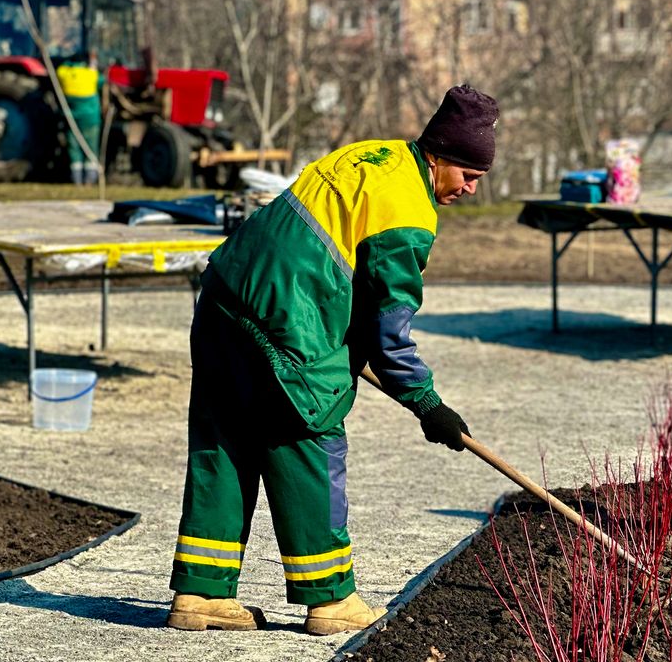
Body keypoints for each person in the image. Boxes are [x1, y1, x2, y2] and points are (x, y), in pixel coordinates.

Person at [166, 85, 497, 634]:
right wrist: (428, 404)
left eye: (480, 178)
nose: (470, 188)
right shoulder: (408, 210)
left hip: (225, 298)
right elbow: (388, 328)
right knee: (308, 440)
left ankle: (200, 595)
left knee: (225, 441)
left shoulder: (373, 155)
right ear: (438, 155)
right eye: (467, 173)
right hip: (285, 323)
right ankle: (330, 600)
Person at [55, 49, 102, 185]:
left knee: (74, 148)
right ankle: (90, 179)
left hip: (72, 119)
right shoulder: (91, 75)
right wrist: (93, 66)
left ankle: (76, 179)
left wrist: (69, 62)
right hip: (91, 119)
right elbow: (102, 81)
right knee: (90, 148)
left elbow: (60, 69)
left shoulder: (65, 74)